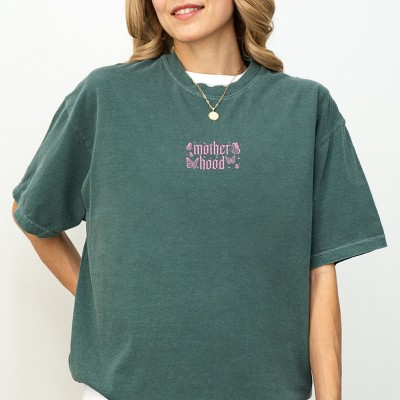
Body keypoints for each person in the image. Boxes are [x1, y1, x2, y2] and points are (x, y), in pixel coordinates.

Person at [11, 0, 388, 399]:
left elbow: (321, 275)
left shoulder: (306, 108)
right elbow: (32, 216)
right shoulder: (105, 96)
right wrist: (102, 309)